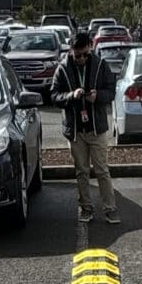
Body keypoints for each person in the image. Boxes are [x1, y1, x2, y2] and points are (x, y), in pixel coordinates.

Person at [50, 27, 119, 224]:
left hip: (97, 128)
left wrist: (99, 97)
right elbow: (54, 96)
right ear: (71, 51)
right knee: (81, 171)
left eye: (84, 55)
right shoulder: (63, 68)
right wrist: (71, 96)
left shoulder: (100, 65)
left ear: (90, 48)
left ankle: (110, 208)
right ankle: (86, 208)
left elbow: (111, 91)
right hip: (76, 130)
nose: (80, 59)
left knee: (102, 170)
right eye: (77, 55)